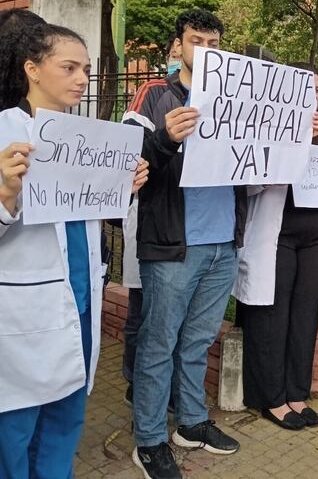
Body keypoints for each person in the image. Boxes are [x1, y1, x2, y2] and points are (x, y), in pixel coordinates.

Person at [0, 21, 148, 477]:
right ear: (33, 70)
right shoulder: (3, 132)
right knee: (16, 428)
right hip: (23, 309)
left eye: (85, 68)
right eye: (69, 67)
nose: (82, 78)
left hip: (81, 300)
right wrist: (5, 194)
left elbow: (85, 220)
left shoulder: (89, 139)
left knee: (66, 418)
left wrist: (123, 192)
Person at [124, 9, 246, 479]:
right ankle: (150, 440)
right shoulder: (155, 95)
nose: (206, 50)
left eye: (214, 43)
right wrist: (164, 138)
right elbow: (128, 162)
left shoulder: (238, 100)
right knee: (158, 343)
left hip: (222, 243)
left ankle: (191, 423)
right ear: (178, 46)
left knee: (197, 341)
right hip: (174, 244)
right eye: (197, 41)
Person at [234, 62, 318, 431]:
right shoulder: (263, 133)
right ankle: (271, 398)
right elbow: (245, 183)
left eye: (317, 91)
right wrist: (292, 139)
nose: (312, 97)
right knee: (272, 317)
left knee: (304, 318)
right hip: (275, 239)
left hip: (313, 239)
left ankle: (297, 391)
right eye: (303, 89)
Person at [121, 32, 184, 407]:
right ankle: (134, 380)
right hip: (148, 214)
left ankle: (169, 387)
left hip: (184, 226)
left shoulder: (213, 97)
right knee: (141, 308)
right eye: (179, 49)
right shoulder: (153, 91)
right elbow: (131, 144)